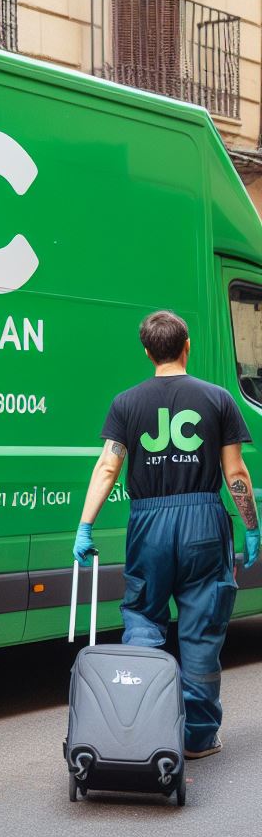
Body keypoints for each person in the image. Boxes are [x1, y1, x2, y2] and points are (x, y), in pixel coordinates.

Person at [73, 309, 258, 760]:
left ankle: (139, 729)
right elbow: (235, 471)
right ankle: (196, 736)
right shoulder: (218, 399)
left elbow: (107, 467)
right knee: (201, 626)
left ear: (147, 351)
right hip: (203, 522)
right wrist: (252, 526)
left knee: (143, 616)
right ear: (187, 344)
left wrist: (85, 525)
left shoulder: (126, 403)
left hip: (148, 523)